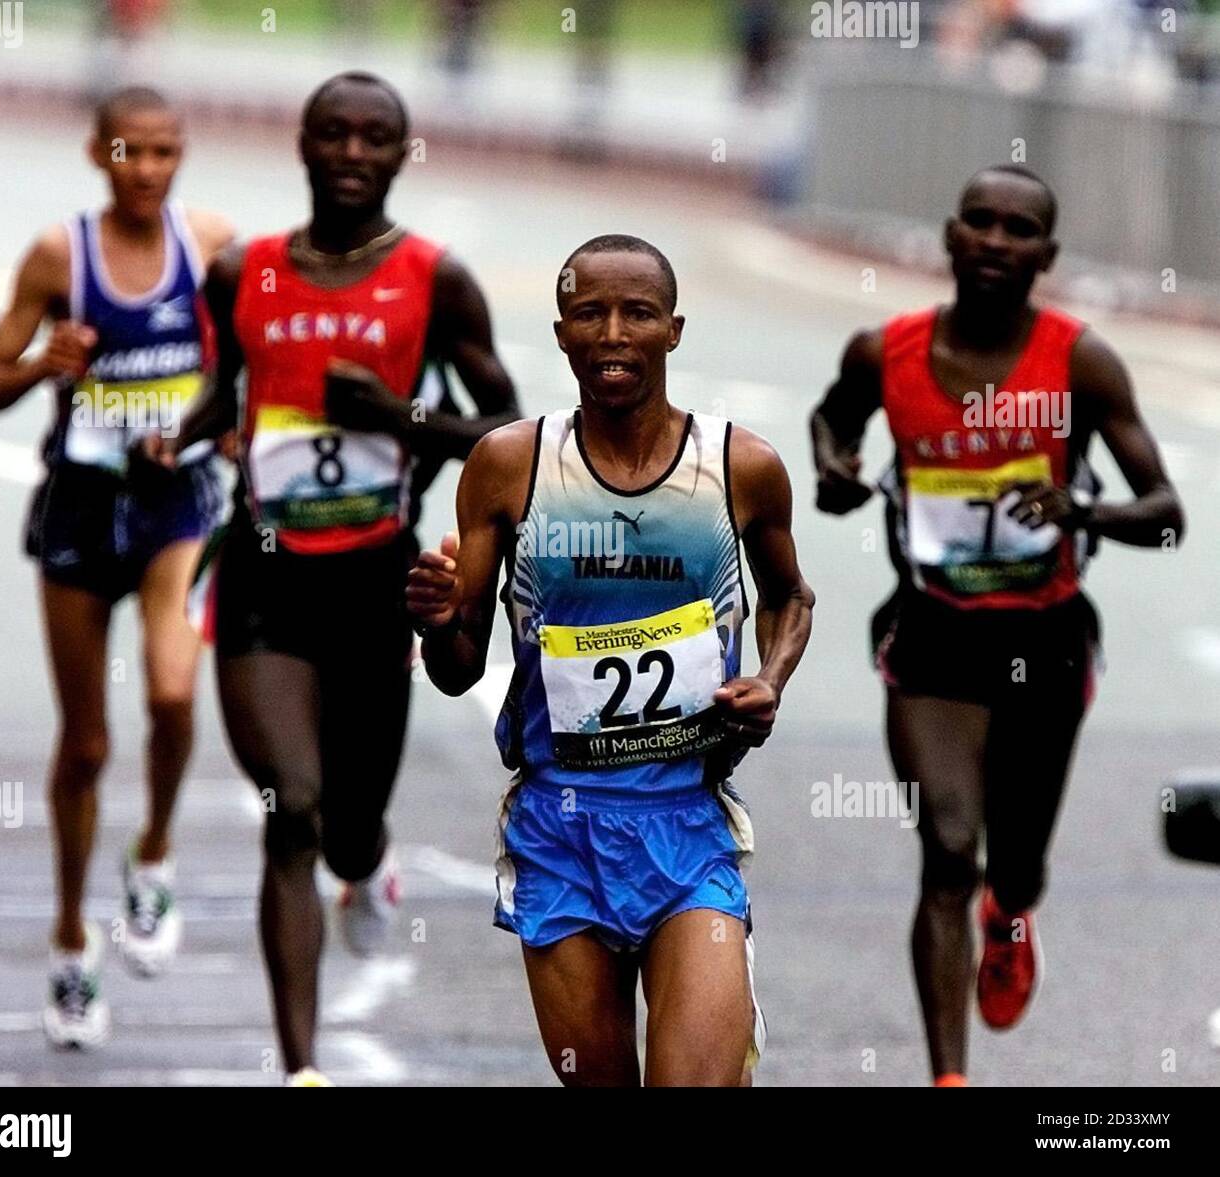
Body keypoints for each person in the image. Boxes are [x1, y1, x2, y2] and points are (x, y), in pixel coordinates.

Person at [141, 72, 519, 1087]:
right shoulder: (242, 273)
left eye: (375, 138)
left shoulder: (438, 282)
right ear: (301, 145)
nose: (353, 152)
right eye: (334, 134)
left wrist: (395, 420)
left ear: (403, 154)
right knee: (290, 807)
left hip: (375, 584)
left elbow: (506, 435)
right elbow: (226, 393)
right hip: (264, 576)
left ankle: (367, 868)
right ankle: (301, 1069)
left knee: (348, 828)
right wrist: (171, 439)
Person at [407, 234, 814, 1086]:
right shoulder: (509, 466)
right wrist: (439, 619)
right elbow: (455, 665)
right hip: (559, 829)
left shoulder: (740, 466)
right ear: (561, 333)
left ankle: (719, 1001)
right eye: (590, 313)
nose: (614, 334)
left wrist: (769, 679)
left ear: (674, 330)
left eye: (638, 313)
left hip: (687, 823)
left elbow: (791, 597)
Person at [809, 164, 1185, 1086]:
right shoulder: (882, 352)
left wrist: (1078, 511)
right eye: (979, 221)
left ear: (1047, 255)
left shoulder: (1082, 362)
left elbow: (1168, 512)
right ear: (949, 235)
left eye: (1019, 229)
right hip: (934, 637)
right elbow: (830, 425)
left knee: (1012, 864)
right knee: (947, 847)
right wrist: (838, 468)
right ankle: (950, 1079)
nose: (995, 240)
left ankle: (1010, 916)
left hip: (1044, 641)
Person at [0, 87, 235, 1047]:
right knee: (83, 744)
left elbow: (243, 374)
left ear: (182, 154)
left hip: (174, 506)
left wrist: (224, 429)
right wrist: (45, 362)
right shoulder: (58, 255)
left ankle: (153, 856)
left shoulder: (209, 248)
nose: (149, 170)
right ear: (97, 153)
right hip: (80, 511)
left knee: (170, 696)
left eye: (167, 152)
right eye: (132, 153)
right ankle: (72, 944)